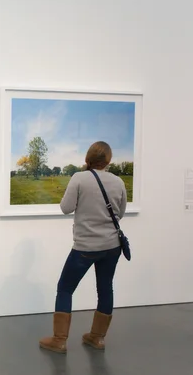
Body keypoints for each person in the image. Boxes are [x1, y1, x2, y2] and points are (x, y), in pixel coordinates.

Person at [39, 141, 127, 354]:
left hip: (85, 247)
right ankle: (97, 338)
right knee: (105, 288)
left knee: (65, 288)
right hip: (112, 246)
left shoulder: (79, 178)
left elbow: (65, 208)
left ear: (88, 158)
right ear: (108, 160)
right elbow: (120, 213)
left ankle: (60, 340)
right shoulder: (118, 181)